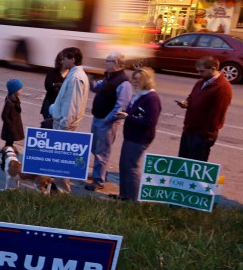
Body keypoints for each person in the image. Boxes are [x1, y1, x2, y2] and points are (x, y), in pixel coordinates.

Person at [84, 52, 132, 191]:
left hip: (107, 122)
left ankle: (99, 181)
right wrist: (90, 79)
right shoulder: (109, 77)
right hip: (98, 118)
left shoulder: (123, 82)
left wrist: (107, 120)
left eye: (107, 61)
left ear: (116, 64)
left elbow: (121, 106)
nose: (105, 63)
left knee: (102, 151)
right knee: (95, 148)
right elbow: (97, 88)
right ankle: (98, 174)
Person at [115, 67, 162, 201]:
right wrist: (125, 113)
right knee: (124, 165)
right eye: (134, 79)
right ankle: (124, 195)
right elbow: (135, 113)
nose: (134, 82)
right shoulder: (139, 94)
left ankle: (132, 199)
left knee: (131, 167)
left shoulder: (152, 98)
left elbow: (149, 122)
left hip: (140, 138)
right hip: (130, 136)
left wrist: (128, 117)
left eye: (138, 79)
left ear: (146, 80)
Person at [48, 47, 89, 193]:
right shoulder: (74, 75)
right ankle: (59, 186)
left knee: (61, 159)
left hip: (64, 125)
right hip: (63, 123)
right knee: (60, 159)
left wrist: (64, 125)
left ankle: (62, 189)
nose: (62, 61)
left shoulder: (76, 78)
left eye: (65, 58)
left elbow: (72, 104)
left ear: (72, 59)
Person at [176, 56, 232, 162]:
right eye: (198, 71)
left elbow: (217, 114)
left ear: (213, 69)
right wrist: (187, 102)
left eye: (202, 71)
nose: (199, 74)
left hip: (202, 135)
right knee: (182, 163)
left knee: (195, 165)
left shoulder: (222, 88)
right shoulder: (200, 82)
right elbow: (191, 96)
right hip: (189, 129)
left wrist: (207, 135)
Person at [39, 51, 67, 129]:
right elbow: (48, 86)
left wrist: (55, 85)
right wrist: (60, 85)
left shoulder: (71, 75)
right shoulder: (52, 72)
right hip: (50, 103)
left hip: (62, 106)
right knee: (48, 125)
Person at [0, 78, 25, 159]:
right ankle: (5, 158)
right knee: (8, 143)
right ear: (15, 90)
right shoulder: (9, 102)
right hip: (10, 127)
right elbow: (4, 115)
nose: (21, 90)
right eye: (20, 88)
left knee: (10, 142)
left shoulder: (15, 99)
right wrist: (10, 125)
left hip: (14, 125)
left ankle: (7, 154)